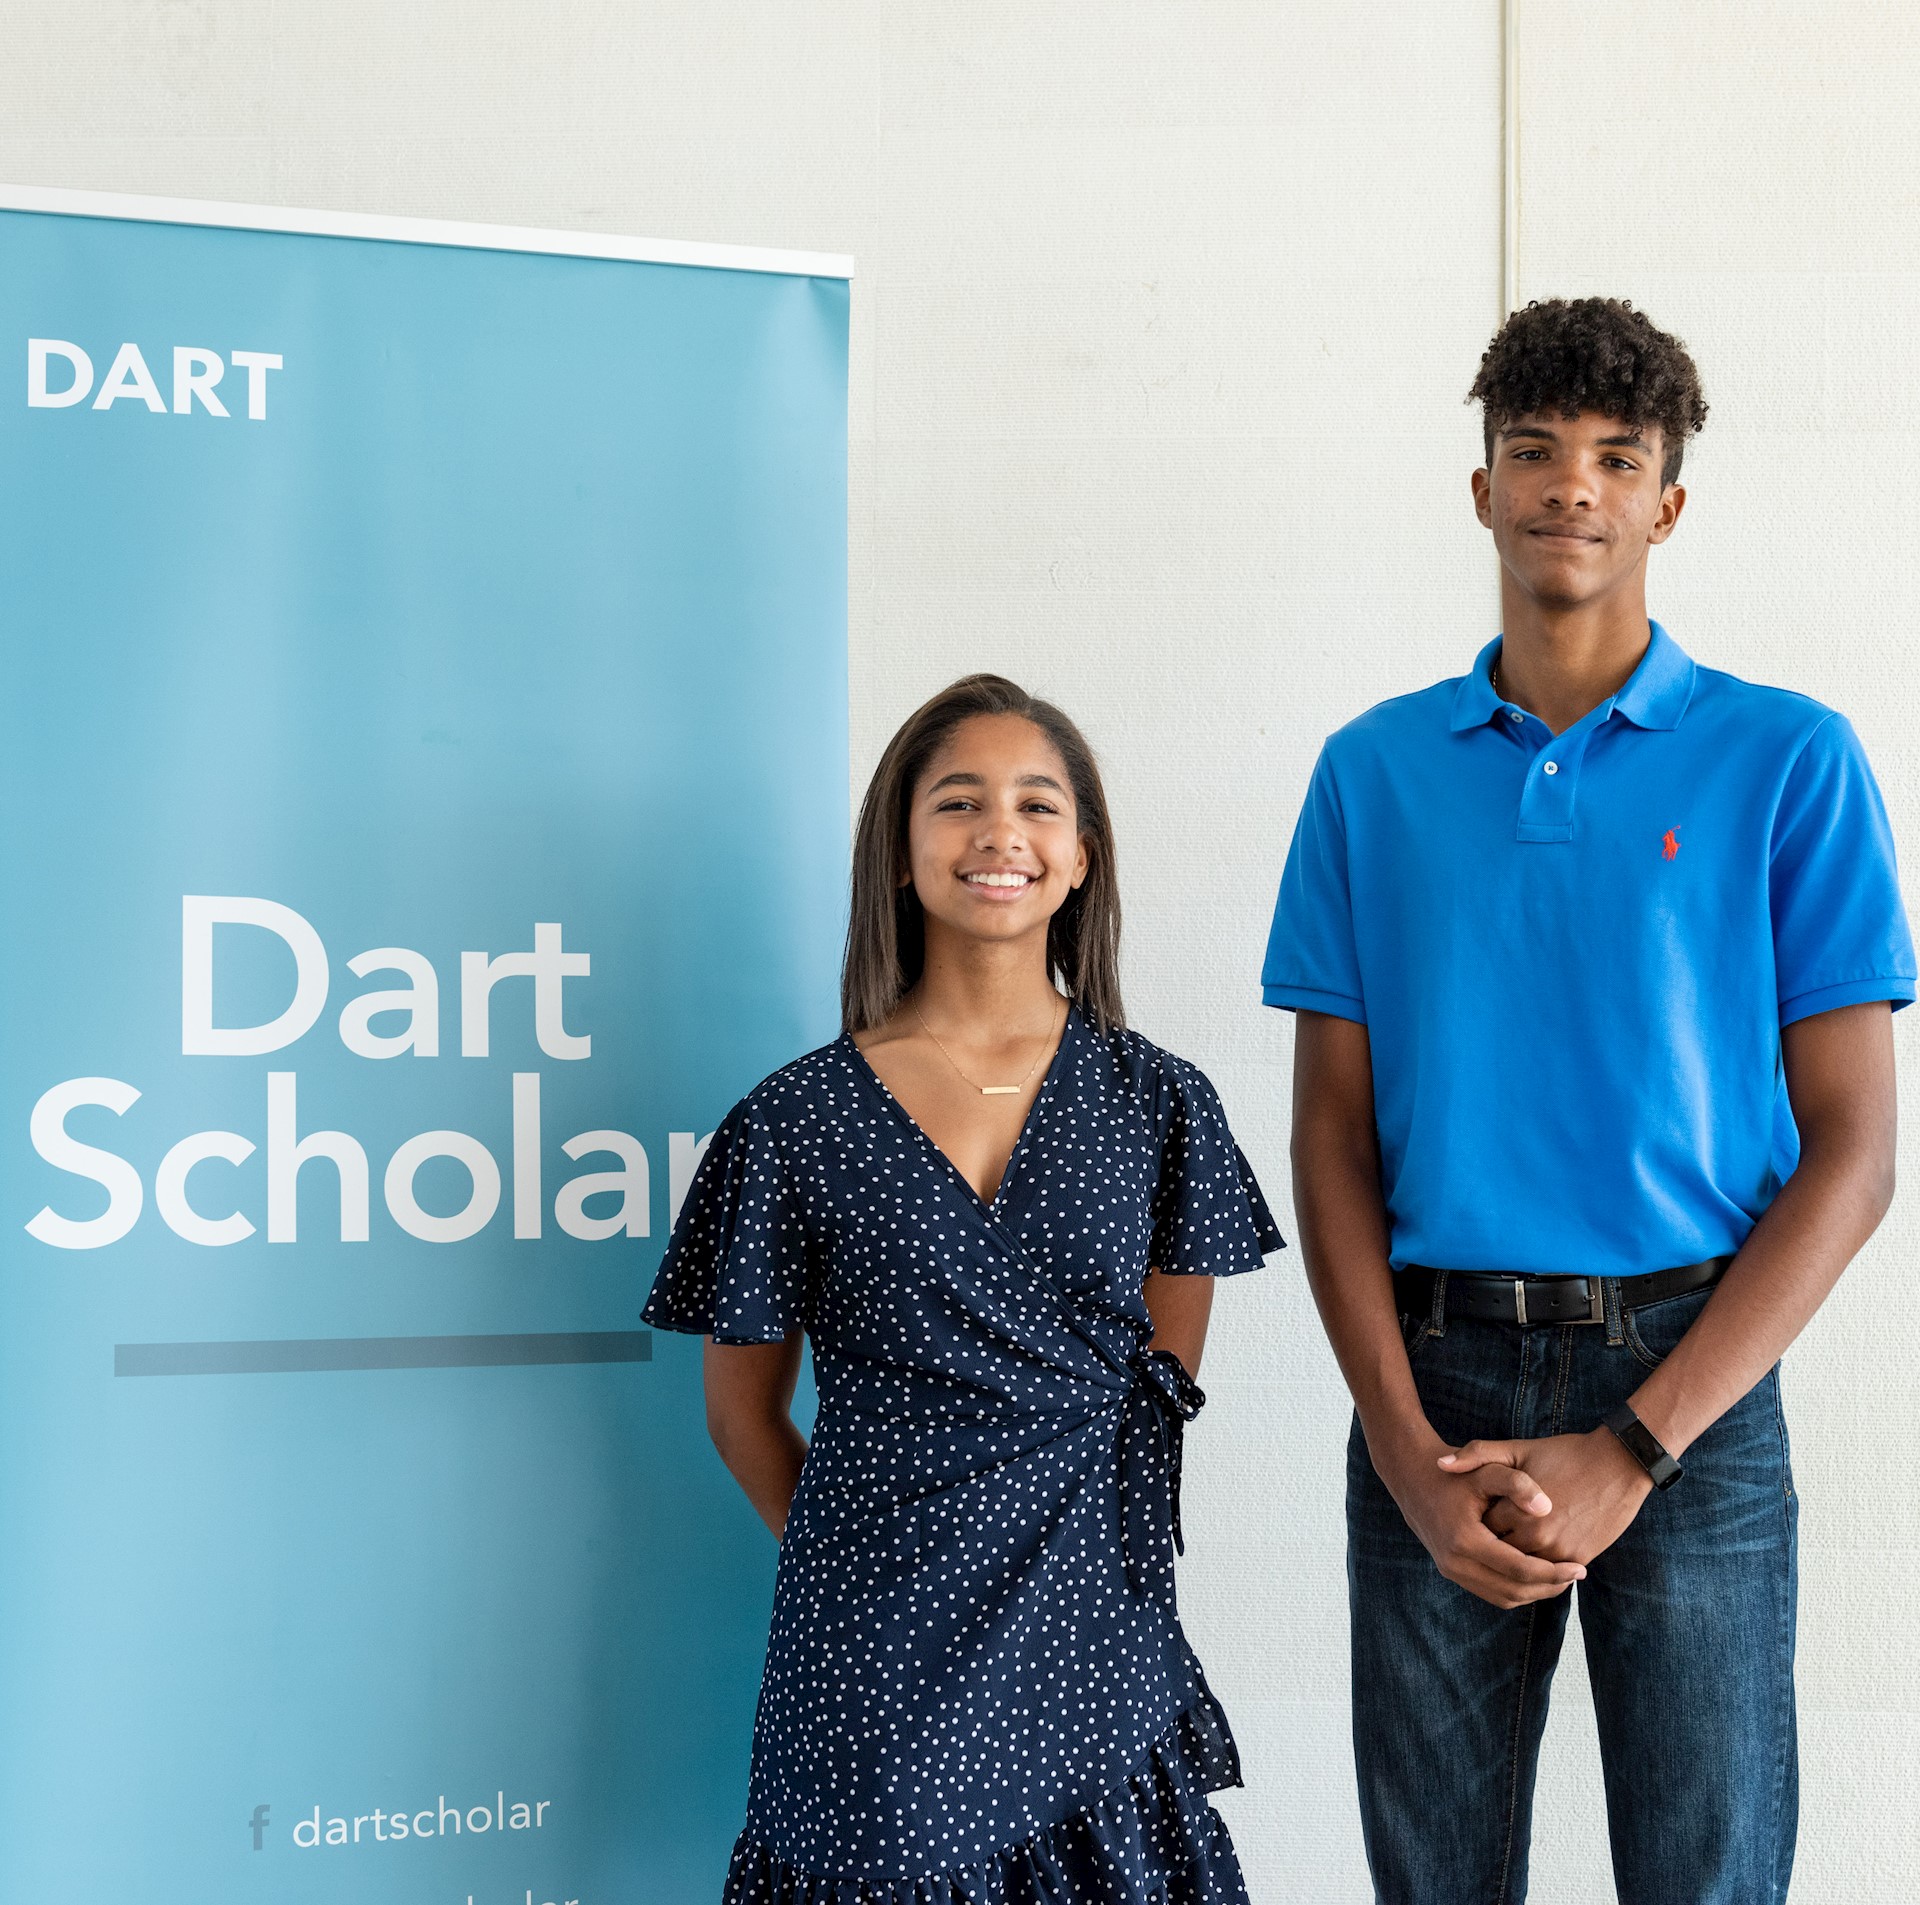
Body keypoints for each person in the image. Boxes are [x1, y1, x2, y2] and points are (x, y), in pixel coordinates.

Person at [1264, 298, 1912, 1904]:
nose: (1572, 487)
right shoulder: (1371, 770)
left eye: (1616, 458)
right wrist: (1405, 1450)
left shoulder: (1791, 760)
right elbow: (1329, 1142)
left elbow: (1857, 1152)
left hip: (1692, 1374)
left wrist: (1637, 1440)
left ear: (1666, 504)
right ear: (1479, 486)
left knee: (1710, 1884)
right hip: (1439, 1375)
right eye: (1534, 451)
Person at [645, 673, 1283, 1903]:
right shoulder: (790, 1121)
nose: (1001, 831)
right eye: (958, 802)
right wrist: (868, 1566)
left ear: (1082, 858)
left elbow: (1155, 1391)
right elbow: (739, 1416)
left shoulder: (1162, 1106)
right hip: (870, 1656)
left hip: (1092, 1634)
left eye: (1037, 804)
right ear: (899, 851)